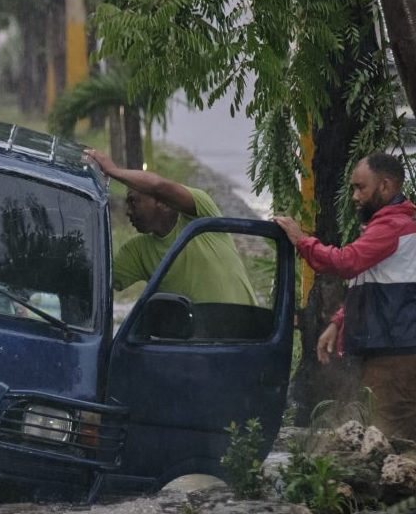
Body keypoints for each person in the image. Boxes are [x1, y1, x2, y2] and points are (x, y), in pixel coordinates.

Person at [275, 151, 416, 440]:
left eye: (360, 187)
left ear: (386, 186)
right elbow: (367, 280)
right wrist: (339, 322)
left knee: (390, 441)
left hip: (395, 355)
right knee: (383, 436)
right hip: (391, 350)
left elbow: (345, 263)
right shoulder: (389, 225)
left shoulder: (393, 227)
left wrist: (301, 241)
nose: (354, 196)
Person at [85, 149, 258, 305]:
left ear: (163, 203)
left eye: (133, 201)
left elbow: (159, 187)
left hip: (247, 334)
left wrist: (114, 171)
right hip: (198, 339)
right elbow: (97, 281)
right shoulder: (138, 251)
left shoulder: (201, 213)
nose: (128, 212)